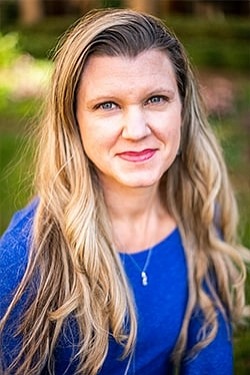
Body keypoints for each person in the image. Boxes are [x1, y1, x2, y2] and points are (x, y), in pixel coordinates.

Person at [0, 8, 249, 375]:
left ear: (182, 107)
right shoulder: (27, 256)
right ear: (74, 122)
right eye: (107, 105)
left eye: (155, 100)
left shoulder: (198, 209)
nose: (136, 129)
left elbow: (209, 356)